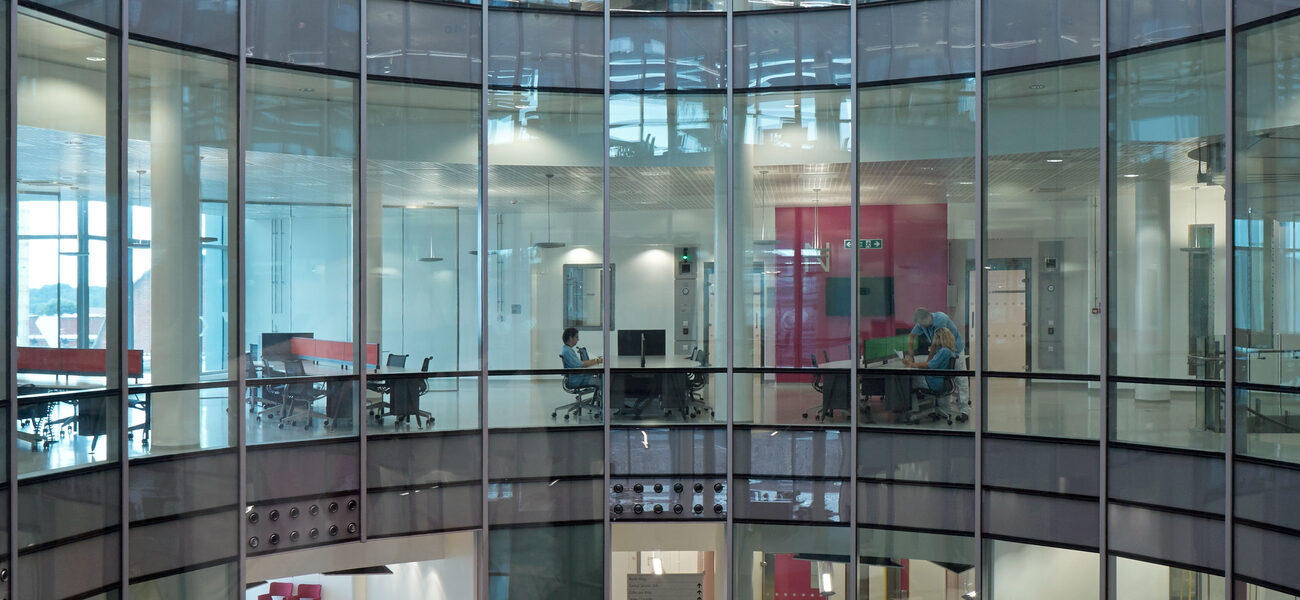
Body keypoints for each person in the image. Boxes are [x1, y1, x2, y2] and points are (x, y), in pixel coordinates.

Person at [907, 307, 969, 412]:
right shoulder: (921, 323)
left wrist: (928, 363)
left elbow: (934, 344)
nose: (921, 327)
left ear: (927, 317)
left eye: (922, 324)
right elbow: (911, 336)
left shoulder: (940, 319)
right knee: (945, 377)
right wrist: (911, 355)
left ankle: (964, 410)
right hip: (942, 352)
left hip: (956, 350)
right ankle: (945, 409)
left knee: (960, 379)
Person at [902, 327, 968, 421]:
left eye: (935, 338)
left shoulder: (943, 351)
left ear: (940, 338)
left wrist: (911, 364)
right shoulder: (949, 351)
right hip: (942, 381)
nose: (933, 340)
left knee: (909, 381)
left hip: (936, 383)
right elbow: (930, 363)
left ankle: (914, 411)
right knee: (916, 378)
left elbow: (929, 365)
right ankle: (927, 409)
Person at [561, 327, 603, 400]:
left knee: (599, 379)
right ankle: (603, 405)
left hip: (575, 377)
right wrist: (596, 361)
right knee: (601, 382)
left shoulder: (567, 349)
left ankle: (598, 401)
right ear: (571, 338)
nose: (578, 339)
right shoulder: (568, 351)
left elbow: (580, 363)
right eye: (576, 337)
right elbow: (582, 364)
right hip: (577, 380)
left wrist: (594, 360)